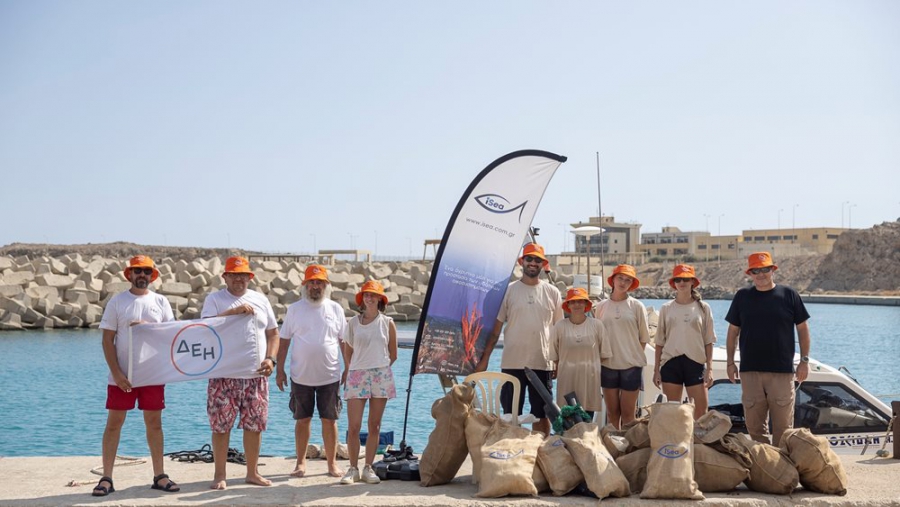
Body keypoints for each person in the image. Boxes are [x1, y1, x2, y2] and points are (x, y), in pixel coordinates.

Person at [94, 255, 179, 496]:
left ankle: (160, 476)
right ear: (129, 274)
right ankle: (106, 478)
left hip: (152, 376)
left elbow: (170, 336)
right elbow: (107, 340)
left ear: (152, 275)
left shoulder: (161, 302)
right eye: (137, 271)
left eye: (146, 271)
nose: (142, 275)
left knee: (154, 424)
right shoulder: (117, 302)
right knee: (114, 425)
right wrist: (116, 373)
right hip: (122, 377)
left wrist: (148, 328)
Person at [200, 256, 280, 490]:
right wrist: (232, 312)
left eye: (243, 275)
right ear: (225, 276)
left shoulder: (261, 299)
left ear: (249, 277)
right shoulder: (214, 300)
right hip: (223, 375)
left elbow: (273, 334)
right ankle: (219, 474)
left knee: (254, 425)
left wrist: (271, 359)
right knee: (220, 426)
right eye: (234, 274)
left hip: (255, 376)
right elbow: (203, 330)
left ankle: (252, 473)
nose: (239, 279)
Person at [476, 242, 563, 436]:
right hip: (512, 362)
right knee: (510, 415)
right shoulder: (508, 291)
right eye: (529, 259)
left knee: (541, 415)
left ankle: (540, 455)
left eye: (537, 260)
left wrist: (558, 360)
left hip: (543, 363)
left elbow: (559, 331)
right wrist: (484, 359)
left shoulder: (553, 292)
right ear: (521, 262)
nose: (533, 263)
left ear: (543, 264)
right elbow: (495, 329)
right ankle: (510, 455)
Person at [726, 252, 811, 445]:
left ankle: (782, 467)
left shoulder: (789, 295)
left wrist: (804, 362)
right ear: (750, 273)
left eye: (765, 269)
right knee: (755, 426)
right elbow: (732, 332)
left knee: (783, 427)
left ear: (773, 270)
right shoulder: (742, 296)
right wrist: (730, 363)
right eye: (756, 271)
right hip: (750, 371)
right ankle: (763, 465)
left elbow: (803, 329)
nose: (761, 274)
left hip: (781, 371)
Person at [276, 264, 346, 479]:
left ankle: (332, 464)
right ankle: (300, 463)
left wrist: (349, 368)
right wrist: (279, 370)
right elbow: (284, 341)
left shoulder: (336, 308)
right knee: (302, 419)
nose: (315, 286)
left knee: (330, 420)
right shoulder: (295, 309)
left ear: (326, 285)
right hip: (301, 375)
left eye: (320, 282)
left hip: (330, 375)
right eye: (311, 282)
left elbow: (344, 341)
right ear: (305, 285)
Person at [339, 280, 398, 485]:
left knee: (375, 425)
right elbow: (348, 351)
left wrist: (379, 366)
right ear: (362, 298)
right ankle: (353, 468)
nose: (370, 298)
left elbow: (393, 354)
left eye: (373, 295)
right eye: (366, 295)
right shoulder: (353, 323)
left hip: (381, 374)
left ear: (380, 299)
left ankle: (368, 468)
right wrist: (350, 369)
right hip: (357, 374)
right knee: (353, 426)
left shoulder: (388, 322)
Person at [652, 264, 717, 419]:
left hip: (695, 363)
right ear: (674, 283)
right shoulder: (666, 308)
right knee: (673, 413)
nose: (682, 282)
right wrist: (656, 370)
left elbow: (709, 340)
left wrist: (709, 368)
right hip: (670, 363)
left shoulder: (703, 308)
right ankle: (675, 443)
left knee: (701, 412)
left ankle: (697, 443)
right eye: (678, 279)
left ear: (692, 282)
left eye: (686, 279)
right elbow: (659, 341)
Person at [597, 264, 650, 429]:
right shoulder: (601, 307)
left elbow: (643, 338)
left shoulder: (637, 306)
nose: (623, 282)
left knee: (628, 416)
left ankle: (628, 450)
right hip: (607, 365)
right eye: (620, 278)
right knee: (612, 414)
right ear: (613, 279)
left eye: (628, 280)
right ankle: (614, 450)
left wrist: (631, 356)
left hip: (631, 367)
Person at [549, 287, 611, 420]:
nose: (577, 305)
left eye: (580, 301)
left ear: (586, 304)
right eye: (573, 302)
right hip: (566, 379)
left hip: (589, 379)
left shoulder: (597, 325)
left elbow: (604, 354)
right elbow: (554, 356)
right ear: (568, 305)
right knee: (567, 419)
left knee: (587, 419)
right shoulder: (559, 327)